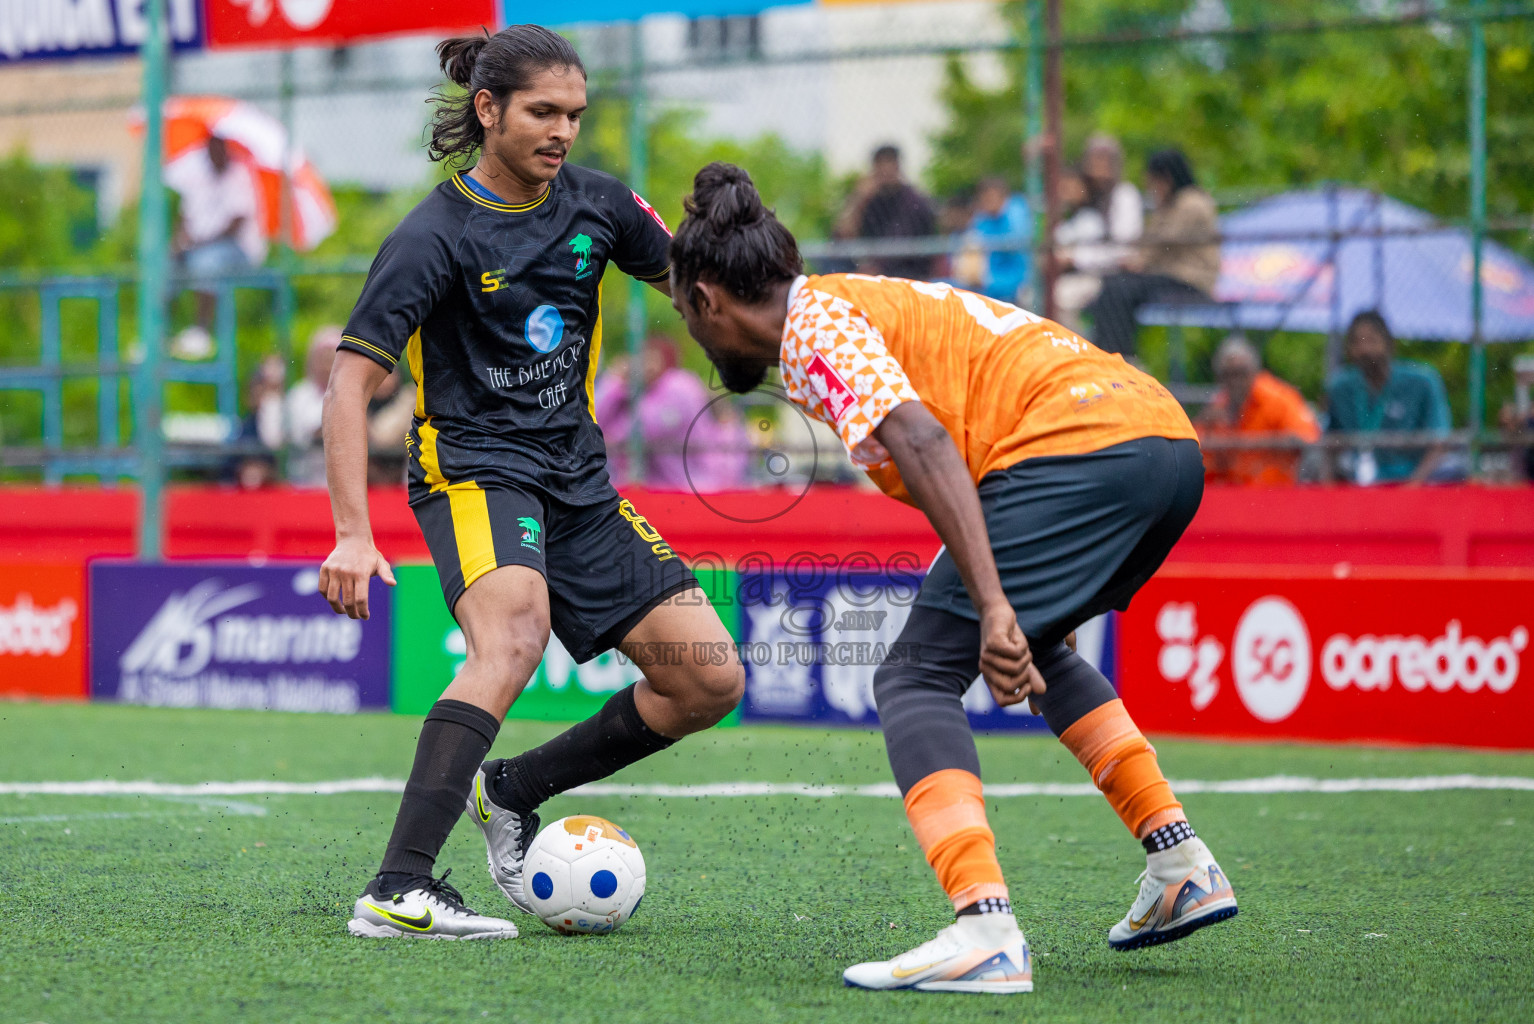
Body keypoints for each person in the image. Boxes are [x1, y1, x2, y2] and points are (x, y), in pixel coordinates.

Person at [669, 163, 1237, 995]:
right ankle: (1181, 864)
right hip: (1160, 443)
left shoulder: (813, 329)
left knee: (914, 676)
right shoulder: (848, 304)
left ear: (708, 300)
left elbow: (925, 440)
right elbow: (953, 450)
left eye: (683, 313)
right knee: (1037, 647)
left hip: (1080, 450)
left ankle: (985, 929)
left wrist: (997, 603)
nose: (691, 334)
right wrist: (1011, 608)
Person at [319, 26, 742, 942]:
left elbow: (697, 290)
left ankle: (512, 789)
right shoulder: (433, 234)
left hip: (577, 479)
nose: (563, 131)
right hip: (474, 471)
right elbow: (349, 386)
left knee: (708, 680)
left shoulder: (600, 204)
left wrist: (767, 295)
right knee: (513, 635)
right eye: (544, 112)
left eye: (575, 115)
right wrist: (353, 533)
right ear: (488, 109)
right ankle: (399, 888)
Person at [1086, 148, 1219, 357]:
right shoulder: (1171, 204)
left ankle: (1119, 355)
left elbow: (1165, 242)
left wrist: (1138, 262)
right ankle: (1106, 352)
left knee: (1121, 289)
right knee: (1112, 286)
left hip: (1189, 279)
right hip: (1167, 276)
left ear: (1166, 178)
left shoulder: (1192, 203)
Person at [593, 335, 748, 490]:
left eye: (649, 357)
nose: (641, 364)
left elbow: (638, 431)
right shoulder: (645, 389)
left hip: (696, 487)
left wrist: (617, 382)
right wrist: (616, 380)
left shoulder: (679, 386)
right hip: (664, 487)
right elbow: (595, 421)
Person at [166, 134, 266, 360]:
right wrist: (179, 243)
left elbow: (235, 225)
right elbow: (185, 218)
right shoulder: (199, 177)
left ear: (226, 149)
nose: (213, 155)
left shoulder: (240, 176)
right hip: (199, 247)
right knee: (167, 264)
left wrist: (198, 244)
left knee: (206, 262)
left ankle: (201, 331)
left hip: (238, 251)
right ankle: (160, 332)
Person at [1327, 310, 1455, 485]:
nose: (1364, 349)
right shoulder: (1341, 387)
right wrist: (1328, 488)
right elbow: (1329, 442)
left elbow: (1440, 442)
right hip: (1358, 480)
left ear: (1388, 344)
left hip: (1413, 479)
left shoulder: (1422, 382)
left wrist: (1413, 486)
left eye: (1372, 340)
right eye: (1357, 342)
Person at [1197, 335, 1320, 485]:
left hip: (1276, 490)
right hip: (1235, 490)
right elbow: (1198, 455)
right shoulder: (1217, 408)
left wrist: (1269, 443)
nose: (1235, 381)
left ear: (1254, 371)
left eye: (1241, 373)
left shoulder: (1279, 398)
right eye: (1227, 374)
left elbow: (1309, 440)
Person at [833, 144, 938, 280]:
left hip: (908, 274)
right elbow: (843, 234)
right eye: (881, 165)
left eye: (890, 164)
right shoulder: (870, 199)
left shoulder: (913, 201)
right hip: (871, 272)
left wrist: (874, 269)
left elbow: (901, 244)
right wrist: (858, 199)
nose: (886, 171)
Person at [283, 327, 340, 487]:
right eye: (322, 358)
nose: (326, 365)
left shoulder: (351, 392)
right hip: (304, 478)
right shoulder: (299, 394)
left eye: (332, 358)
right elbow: (292, 433)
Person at [965, 177, 1032, 304]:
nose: (987, 201)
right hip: (991, 284)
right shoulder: (982, 219)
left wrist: (985, 280)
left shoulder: (1016, 214)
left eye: (991, 197)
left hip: (1018, 283)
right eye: (984, 198)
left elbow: (1020, 258)